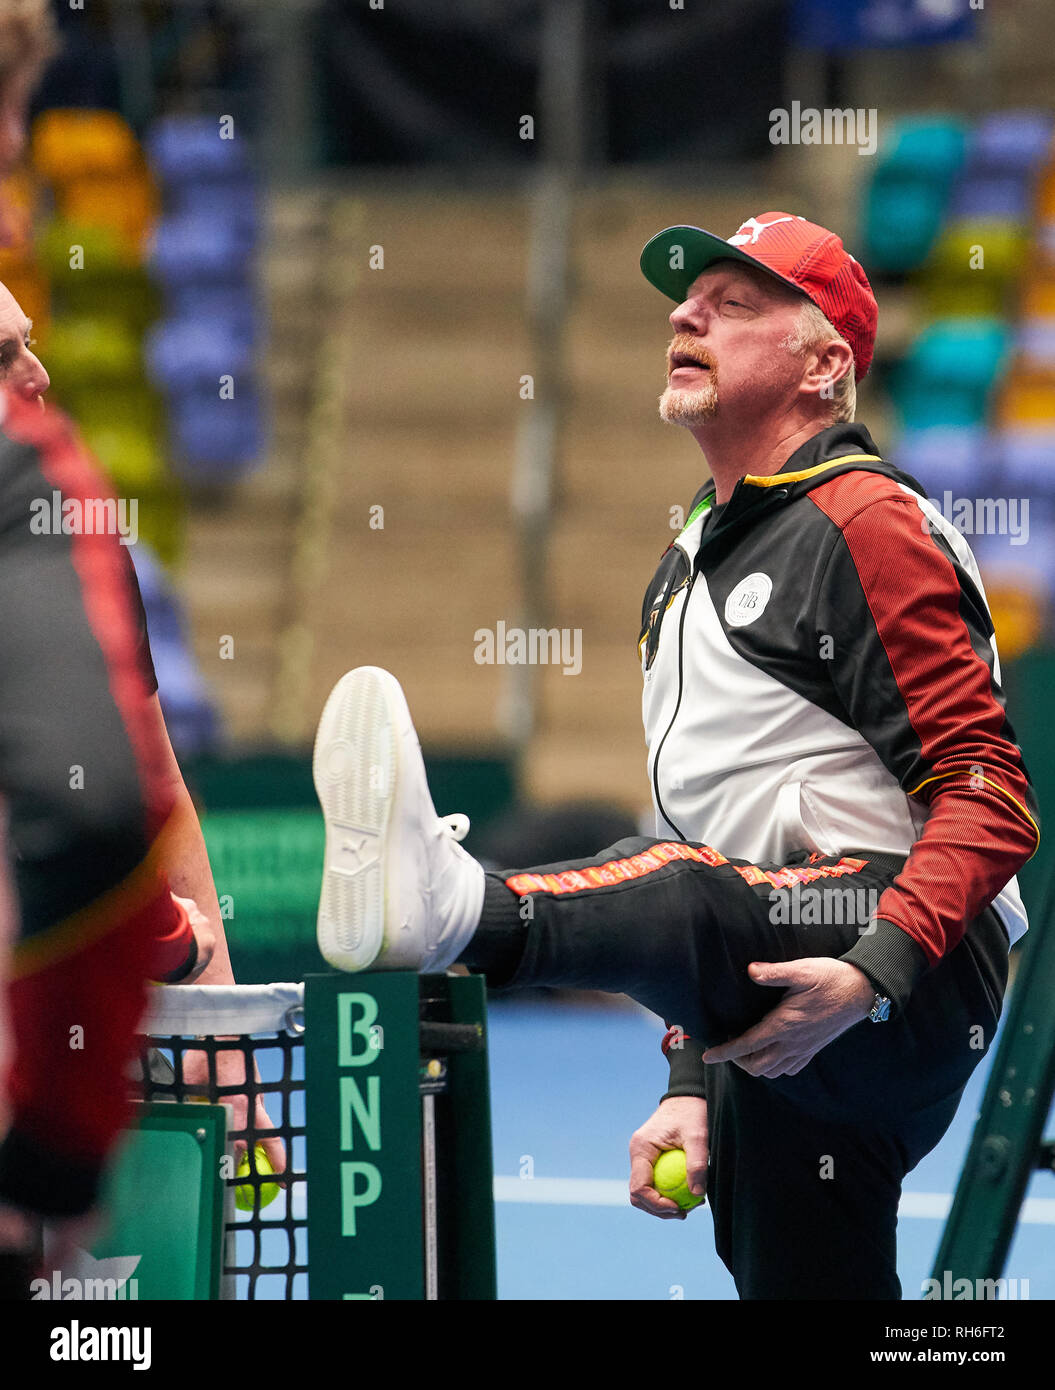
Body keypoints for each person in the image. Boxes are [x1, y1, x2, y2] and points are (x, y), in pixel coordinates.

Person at [312, 210, 1040, 1299]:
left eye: (732, 304)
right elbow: (721, 846)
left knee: (672, 880)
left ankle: (459, 910)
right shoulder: (683, 562)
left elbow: (987, 795)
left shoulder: (865, 520)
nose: (682, 313)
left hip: (908, 964)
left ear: (823, 363)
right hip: (784, 986)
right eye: (684, 300)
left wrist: (867, 973)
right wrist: (693, 1074)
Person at [0, 1, 277, 1296]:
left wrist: (223, 1036)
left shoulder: (59, 512)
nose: (38, 371)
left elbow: (145, 793)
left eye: (34, 346)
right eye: (6, 355)